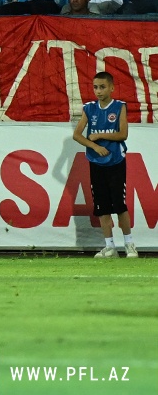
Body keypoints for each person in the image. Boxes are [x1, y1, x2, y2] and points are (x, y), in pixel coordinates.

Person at [72, 71, 138, 258]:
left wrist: (100, 135)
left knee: (119, 204)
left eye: (102, 87)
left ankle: (129, 244)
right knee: (102, 206)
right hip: (96, 162)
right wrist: (94, 146)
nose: (99, 91)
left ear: (112, 88)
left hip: (116, 161)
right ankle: (110, 247)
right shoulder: (89, 108)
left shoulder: (119, 106)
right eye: (95, 87)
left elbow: (123, 134)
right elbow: (77, 135)